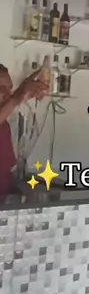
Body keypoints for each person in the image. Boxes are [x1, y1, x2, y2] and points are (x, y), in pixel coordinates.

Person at [0, 64, 49, 196]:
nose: (8, 94)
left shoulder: (5, 126)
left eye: (10, 88)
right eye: (1, 88)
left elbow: (6, 174)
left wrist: (23, 194)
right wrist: (16, 98)